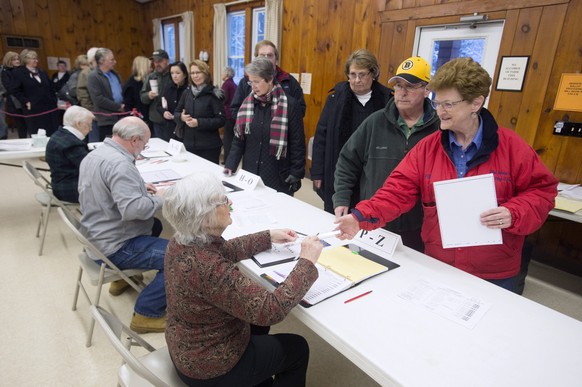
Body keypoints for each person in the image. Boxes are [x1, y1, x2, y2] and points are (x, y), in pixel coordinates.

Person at [335, 57, 558, 293]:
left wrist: (514, 213)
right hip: (438, 263)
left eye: (448, 105)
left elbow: (542, 191)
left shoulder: (513, 147)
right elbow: (396, 192)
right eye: (437, 103)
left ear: (476, 103)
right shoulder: (427, 149)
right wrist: (360, 216)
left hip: (494, 271)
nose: (439, 111)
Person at [162, 171, 322, 386]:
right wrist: (306, 263)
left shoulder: (182, 240)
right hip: (210, 367)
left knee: (256, 326)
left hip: (187, 344)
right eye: (223, 200)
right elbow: (270, 310)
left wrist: (267, 237)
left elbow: (225, 250)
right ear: (206, 218)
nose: (230, 202)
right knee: (297, 348)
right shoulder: (209, 267)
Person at [333, 56, 440, 252]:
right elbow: (347, 161)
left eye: (411, 86)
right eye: (399, 85)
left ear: (427, 90)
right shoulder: (376, 122)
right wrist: (341, 198)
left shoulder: (439, 129)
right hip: (374, 221)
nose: (402, 92)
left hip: (417, 226)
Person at [78, 116, 168, 332]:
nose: (143, 149)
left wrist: (136, 187)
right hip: (114, 246)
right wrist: (162, 198)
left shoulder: (96, 154)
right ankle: (146, 313)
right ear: (135, 140)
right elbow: (133, 210)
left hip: (95, 239)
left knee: (155, 225)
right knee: (182, 257)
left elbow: (108, 187)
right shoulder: (120, 164)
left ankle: (124, 279)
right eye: (144, 144)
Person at [311, 49, 393, 213]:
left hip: (372, 174)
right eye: (352, 74)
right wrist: (317, 173)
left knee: (369, 219)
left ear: (373, 73)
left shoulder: (388, 101)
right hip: (338, 171)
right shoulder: (335, 99)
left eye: (362, 74)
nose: (357, 80)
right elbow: (321, 136)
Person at [224, 57, 306, 195]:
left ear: (269, 79)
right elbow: (239, 139)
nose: (252, 86)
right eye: (251, 81)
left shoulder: (289, 105)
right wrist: (231, 164)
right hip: (250, 172)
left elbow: (297, 142)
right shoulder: (247, 103)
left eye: (256, 81)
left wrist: (297, 172)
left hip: (277, 173)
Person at [230, 39, 306, 119]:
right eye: (262, 55)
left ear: (276, 58)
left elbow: (300, 110)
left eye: (270, 55)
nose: (266, 59)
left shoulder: (288, 81)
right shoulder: (246, 81)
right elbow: (235, 109)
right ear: (256, 58)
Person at [174, 60, 225, 163]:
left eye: (198, 72)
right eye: (192, 73)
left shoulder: (214, 94)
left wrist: (199, 122)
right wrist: (181, 117)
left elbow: (221, 120)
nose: (195, 76)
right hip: (188, 145)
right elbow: (176, 113)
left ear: (205, 73)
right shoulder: (186, 93)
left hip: (209, 147)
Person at [45, 106, 94, 203]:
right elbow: (91, 168)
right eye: (89, 125)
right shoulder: (72, 143)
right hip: (70, 190)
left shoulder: (59, 134)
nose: (91, 129)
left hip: (60, 184)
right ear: (79, 124)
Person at [10, 50, 59, 136]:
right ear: (26, 60)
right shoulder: (19, 73)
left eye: (36, 58)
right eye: (33, 59)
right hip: (33, 108)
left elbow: (51, 88)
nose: (36, 61)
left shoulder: (42, 72)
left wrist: (54, 100)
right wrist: (25, 101)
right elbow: (15, 90)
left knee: (52, 131)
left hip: (49, 108)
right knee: (37, 132)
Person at [87, 48, 125, 141]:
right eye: (111, 60)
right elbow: (98, 99)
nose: (115, 62)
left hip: (120, 117)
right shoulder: (93, 76)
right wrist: (118, 107)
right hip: (106, 120)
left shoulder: (115, 74)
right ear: (102, 61)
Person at [140, 49, 171, 139]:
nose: (157, 64)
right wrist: (148, 95)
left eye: (160, 61)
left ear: (167, 61)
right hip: (156, 119)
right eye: (155, 61)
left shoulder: (173, 75)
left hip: (172, 118)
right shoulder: (151, 76)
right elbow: (142, 96)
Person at [158, 61, 188, 141]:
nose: (174, 76)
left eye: (177, 73)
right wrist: (164, 112)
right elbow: (159, 105)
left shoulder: (189, 90)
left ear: (184, 74)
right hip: (169, 128)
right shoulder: (168, 88)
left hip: (185, 129)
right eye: (172, 73)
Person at [1, 51, 26, 138]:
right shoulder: (5, 72)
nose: (17, 61)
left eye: (18, 59)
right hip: (15, 101)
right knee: (21, 125)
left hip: (25, 99)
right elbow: (9, 88)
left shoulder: (22, 70)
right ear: (9, 61)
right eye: (14, 59)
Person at [77, 47, 100, 142]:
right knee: (94, 137)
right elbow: (82, 93)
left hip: (104, 112)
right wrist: (90, 109)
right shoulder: (85, 73)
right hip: (93, 112)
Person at [123, 55, 151, 125]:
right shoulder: (131, 85)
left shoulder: (145, 82)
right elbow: (128, 107)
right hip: (138, 121)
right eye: (149, 67)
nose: (151, 69)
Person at [221, 66, 237, 163]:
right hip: (233, 115)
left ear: (227, 74)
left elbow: (223, 99)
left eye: (223, 72)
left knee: (227, 139)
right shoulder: (233, 84)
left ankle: (227, 160)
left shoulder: (226, 84)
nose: (221, 74)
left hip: (227, 115)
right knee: (231, 138)